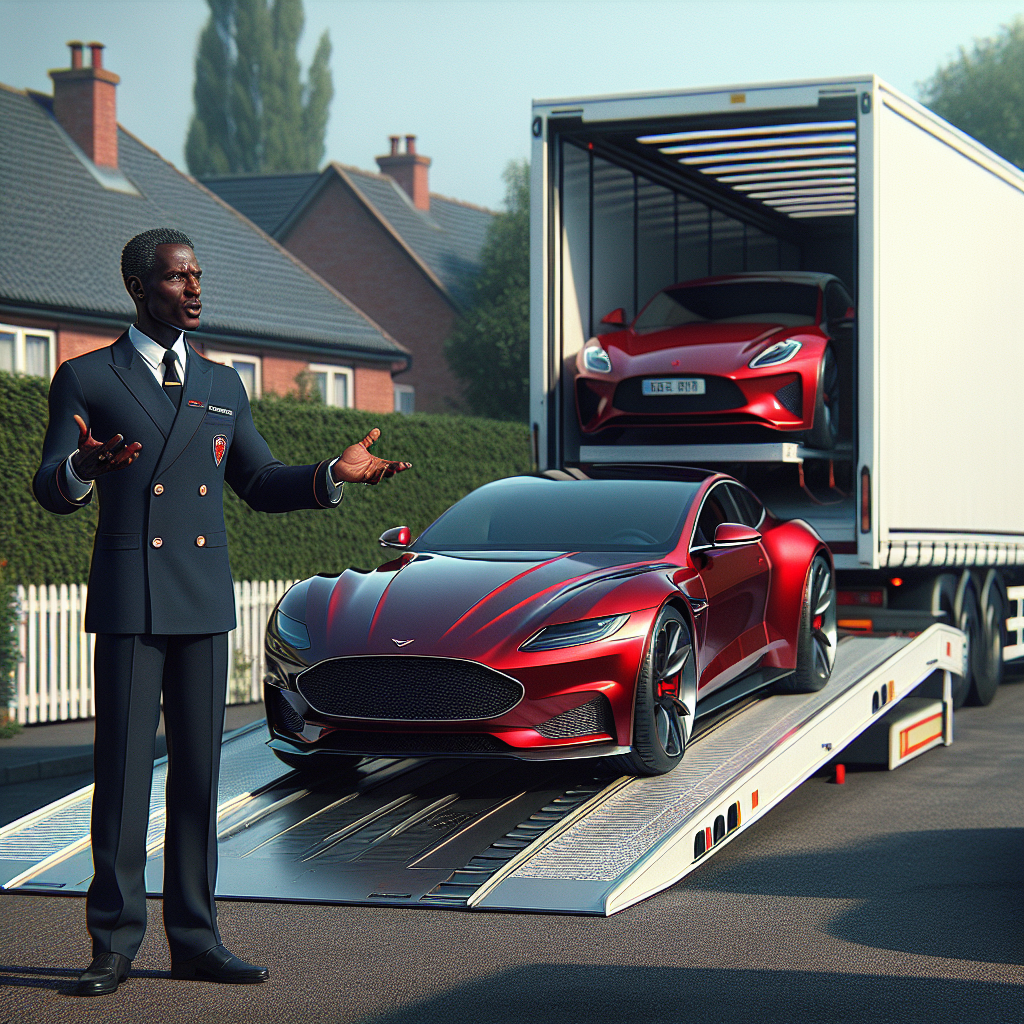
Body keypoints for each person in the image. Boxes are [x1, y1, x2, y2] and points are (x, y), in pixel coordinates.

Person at [32, 228, 411, 996]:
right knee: (124, 778)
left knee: (200, 780)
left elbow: (260, 479)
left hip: (201, 600)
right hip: (133, 604)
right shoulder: (86, 377)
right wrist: (82, 465)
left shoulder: (221, 384)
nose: (195, 290)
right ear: (140, 288)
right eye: (178, 279)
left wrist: (328, 475)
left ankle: (196, 938)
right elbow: (47, 484)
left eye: (199, 277)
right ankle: (112, 943)